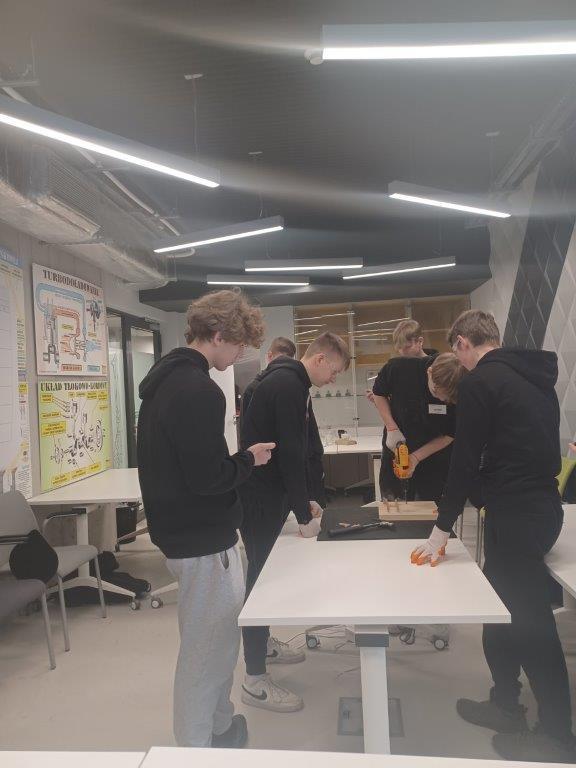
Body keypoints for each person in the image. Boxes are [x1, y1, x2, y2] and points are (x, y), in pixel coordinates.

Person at [411, 309, 575, 762]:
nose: (459, 362)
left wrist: (440, 529)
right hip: (539, 509)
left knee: (531, 625)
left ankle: (557, 735)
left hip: (518, 516)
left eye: (457, 352)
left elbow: (464, 461)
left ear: (463, 343)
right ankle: (505, 703)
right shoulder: (533, 377)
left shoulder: (482, 381)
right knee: (501, 612)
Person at [137, 290, 275, 750]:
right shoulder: (199, 391)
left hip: (183, 533)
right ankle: (196, 748)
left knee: (214, 645)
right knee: (206, 655)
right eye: (239, 345)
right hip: (203, 539)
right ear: (218, 335)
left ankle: (219, 726)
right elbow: (208, 478)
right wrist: (249, 460)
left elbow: (188, 467)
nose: (240, 354)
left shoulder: (166, 382)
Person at [239, 331, 350, 712]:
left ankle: (264, 646)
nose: (332, 380)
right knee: (259, 584)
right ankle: (254, 679)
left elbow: (299, 449)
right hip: (259, 499)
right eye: (334, 371)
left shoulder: (291, 382)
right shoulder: (287, 385)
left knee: (265, 579)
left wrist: (307, 500)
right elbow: (289, 453)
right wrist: (303, 514)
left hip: (270, 495)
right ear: (319, 359)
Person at [241, 336, 327, 508]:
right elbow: (251, 436)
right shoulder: (258, 388)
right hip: (274, 472)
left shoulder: (297, 386)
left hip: (292, 469)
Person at [371, 347, 463, 503]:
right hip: (397, 450)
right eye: (437, 391)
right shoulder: (398, 369)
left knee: (431, 508)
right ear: (429, 372)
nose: (441, 399)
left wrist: (415, 457)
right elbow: (378, 393)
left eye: (447, 398)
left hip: (434, 459)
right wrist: (391, 427)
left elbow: (450, 434)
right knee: (394, 505)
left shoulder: (459, 386)